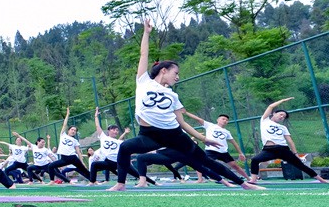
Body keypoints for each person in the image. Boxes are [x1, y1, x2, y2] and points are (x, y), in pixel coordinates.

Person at [108, 19, 263, 191]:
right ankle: (120, 184)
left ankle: (244, 184)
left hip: (173, 134)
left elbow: (182, 123)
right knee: (124, 147)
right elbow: (143, 54)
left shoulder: (173, 95)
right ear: (164, 70)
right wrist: (146, 33)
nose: (178, 77)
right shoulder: (143, 81)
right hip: (149, 135)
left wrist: (203, 138)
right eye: (176, 73)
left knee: (204, 160)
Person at [248, 97, 329, 184]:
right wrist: (282, 101)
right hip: (269, 150)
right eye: (281, 114)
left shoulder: (283, 127)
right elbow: (271, 106)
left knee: (300, 165)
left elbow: (290, 141)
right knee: (255, 160)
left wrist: (295, 154)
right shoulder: (265, 121)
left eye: (284, 117)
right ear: (274, 114)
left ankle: (321, 180)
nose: (282, 117)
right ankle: (253, 180)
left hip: (283, 149)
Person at [182, 111, 249, 179]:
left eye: (226, 120)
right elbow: (198, 119)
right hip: (211, 150)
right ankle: (200, 179)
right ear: (218, 120)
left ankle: (249, 179)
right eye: (223, 119)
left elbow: (234, 143)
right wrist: (186, 113)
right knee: (202, 164)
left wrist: (241, 153)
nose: (225, 121)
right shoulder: (210, 125)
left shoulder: (227, 132)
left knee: (235, 166)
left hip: (223, 152)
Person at [44, 107, 92, 184]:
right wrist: (67, 114)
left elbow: (78, 152)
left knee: (83, 169)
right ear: (68, 130)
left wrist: (82, 161)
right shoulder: (63, 135)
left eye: (75, 130)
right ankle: (52, 181)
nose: (73, 131)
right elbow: (64, 124)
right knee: (51, 166)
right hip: (64, 158)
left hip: (73, 158)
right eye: (72, 130)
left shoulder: (75, 140)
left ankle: (93, 181)